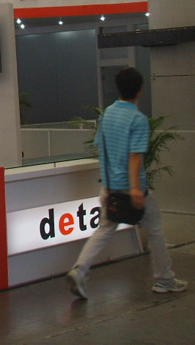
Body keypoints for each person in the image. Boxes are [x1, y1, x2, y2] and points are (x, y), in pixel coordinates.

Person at [66, 67, 186, 299]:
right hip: (132, 189)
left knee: (104, 229)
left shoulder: (107, 114)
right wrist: (135, 190)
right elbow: (134, 156)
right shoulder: (137, 119)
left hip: (108, 188)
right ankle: (164, 279)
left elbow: (102, 148)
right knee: (155, 230)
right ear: (140, 90)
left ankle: (79, 271)